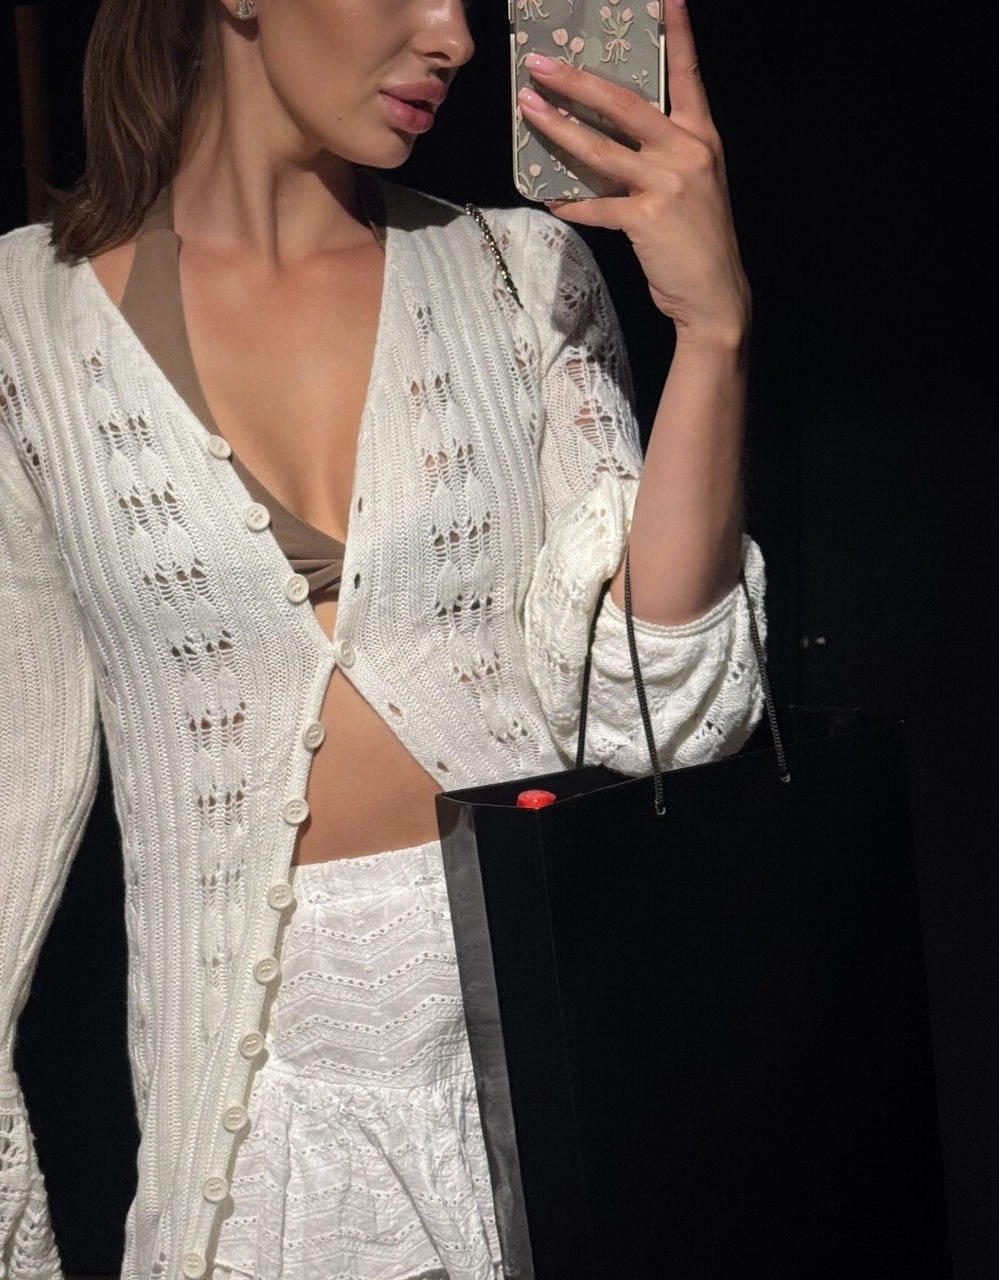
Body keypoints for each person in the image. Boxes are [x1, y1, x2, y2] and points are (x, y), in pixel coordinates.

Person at [0, 0, 765, 1275]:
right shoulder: (28, 323)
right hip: (253, 1110)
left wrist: (713, 333)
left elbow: (660, 711)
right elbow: (13, 777)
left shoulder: (521, 272)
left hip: (541, 1061)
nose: (453, 36)